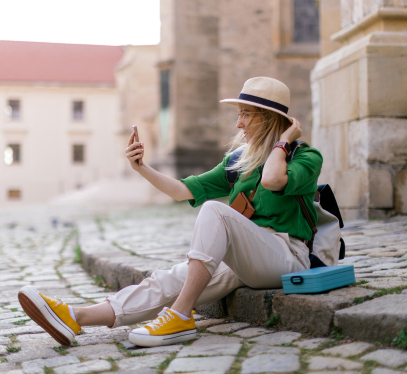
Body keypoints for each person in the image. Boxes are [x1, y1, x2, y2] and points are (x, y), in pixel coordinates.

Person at [17, 77, 323, 348]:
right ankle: (76, 317)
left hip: (287, 258)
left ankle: (179, 315)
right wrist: (142, 168)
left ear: (270, 119)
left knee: (215, 211)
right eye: (238, 114)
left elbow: (272, 179)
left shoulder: (305, 157)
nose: (239, 123)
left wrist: (282, 143)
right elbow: (181, 191)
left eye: (246, 114)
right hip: (249, 258)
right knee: (168, 280)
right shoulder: (238, 161)